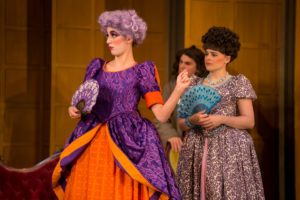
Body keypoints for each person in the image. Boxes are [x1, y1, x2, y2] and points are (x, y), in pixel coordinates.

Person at [52, 10, 190, 200]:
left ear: (130, 37)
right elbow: (83, 102)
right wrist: (73, 109)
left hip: (127, 143)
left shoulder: (143, 72)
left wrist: (178, 90)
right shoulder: (96, 68)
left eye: (114, 34)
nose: (108, 40)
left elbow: (161, 116)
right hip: (92, 144)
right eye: (107, 35)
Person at [175, 26, 265, 200]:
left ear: (227, 58)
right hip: (197, 147)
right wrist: (192, 119)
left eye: (214, 54)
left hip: (229, 149)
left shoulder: (237, 82)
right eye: (207, 53)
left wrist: (221, 119)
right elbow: (180, 123)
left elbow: (249, 121)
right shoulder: (194, 83)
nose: (208, 57)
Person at [154, 46, 207, 173]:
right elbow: (160, 118)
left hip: (202, 146)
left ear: (198, 67)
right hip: (179, 146)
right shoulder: (171, 86)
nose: (182, 66)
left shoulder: (207, 87)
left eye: (187, 63)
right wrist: (170, 135)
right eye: (181, 62)